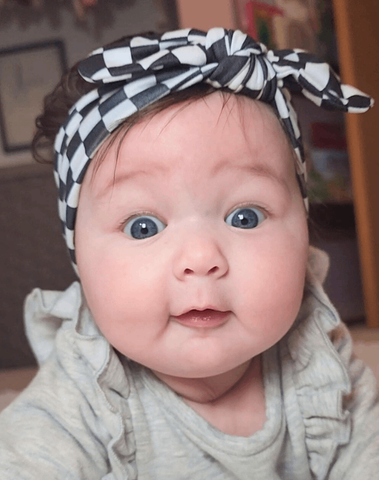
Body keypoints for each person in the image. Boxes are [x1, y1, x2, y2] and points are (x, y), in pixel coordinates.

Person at [0, 27, 377, 479]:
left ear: (304, 233)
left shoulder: (318, 356)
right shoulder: (79, 404)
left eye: (246, 217)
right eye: (144, 227)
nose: (201, 258)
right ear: (79, 259)